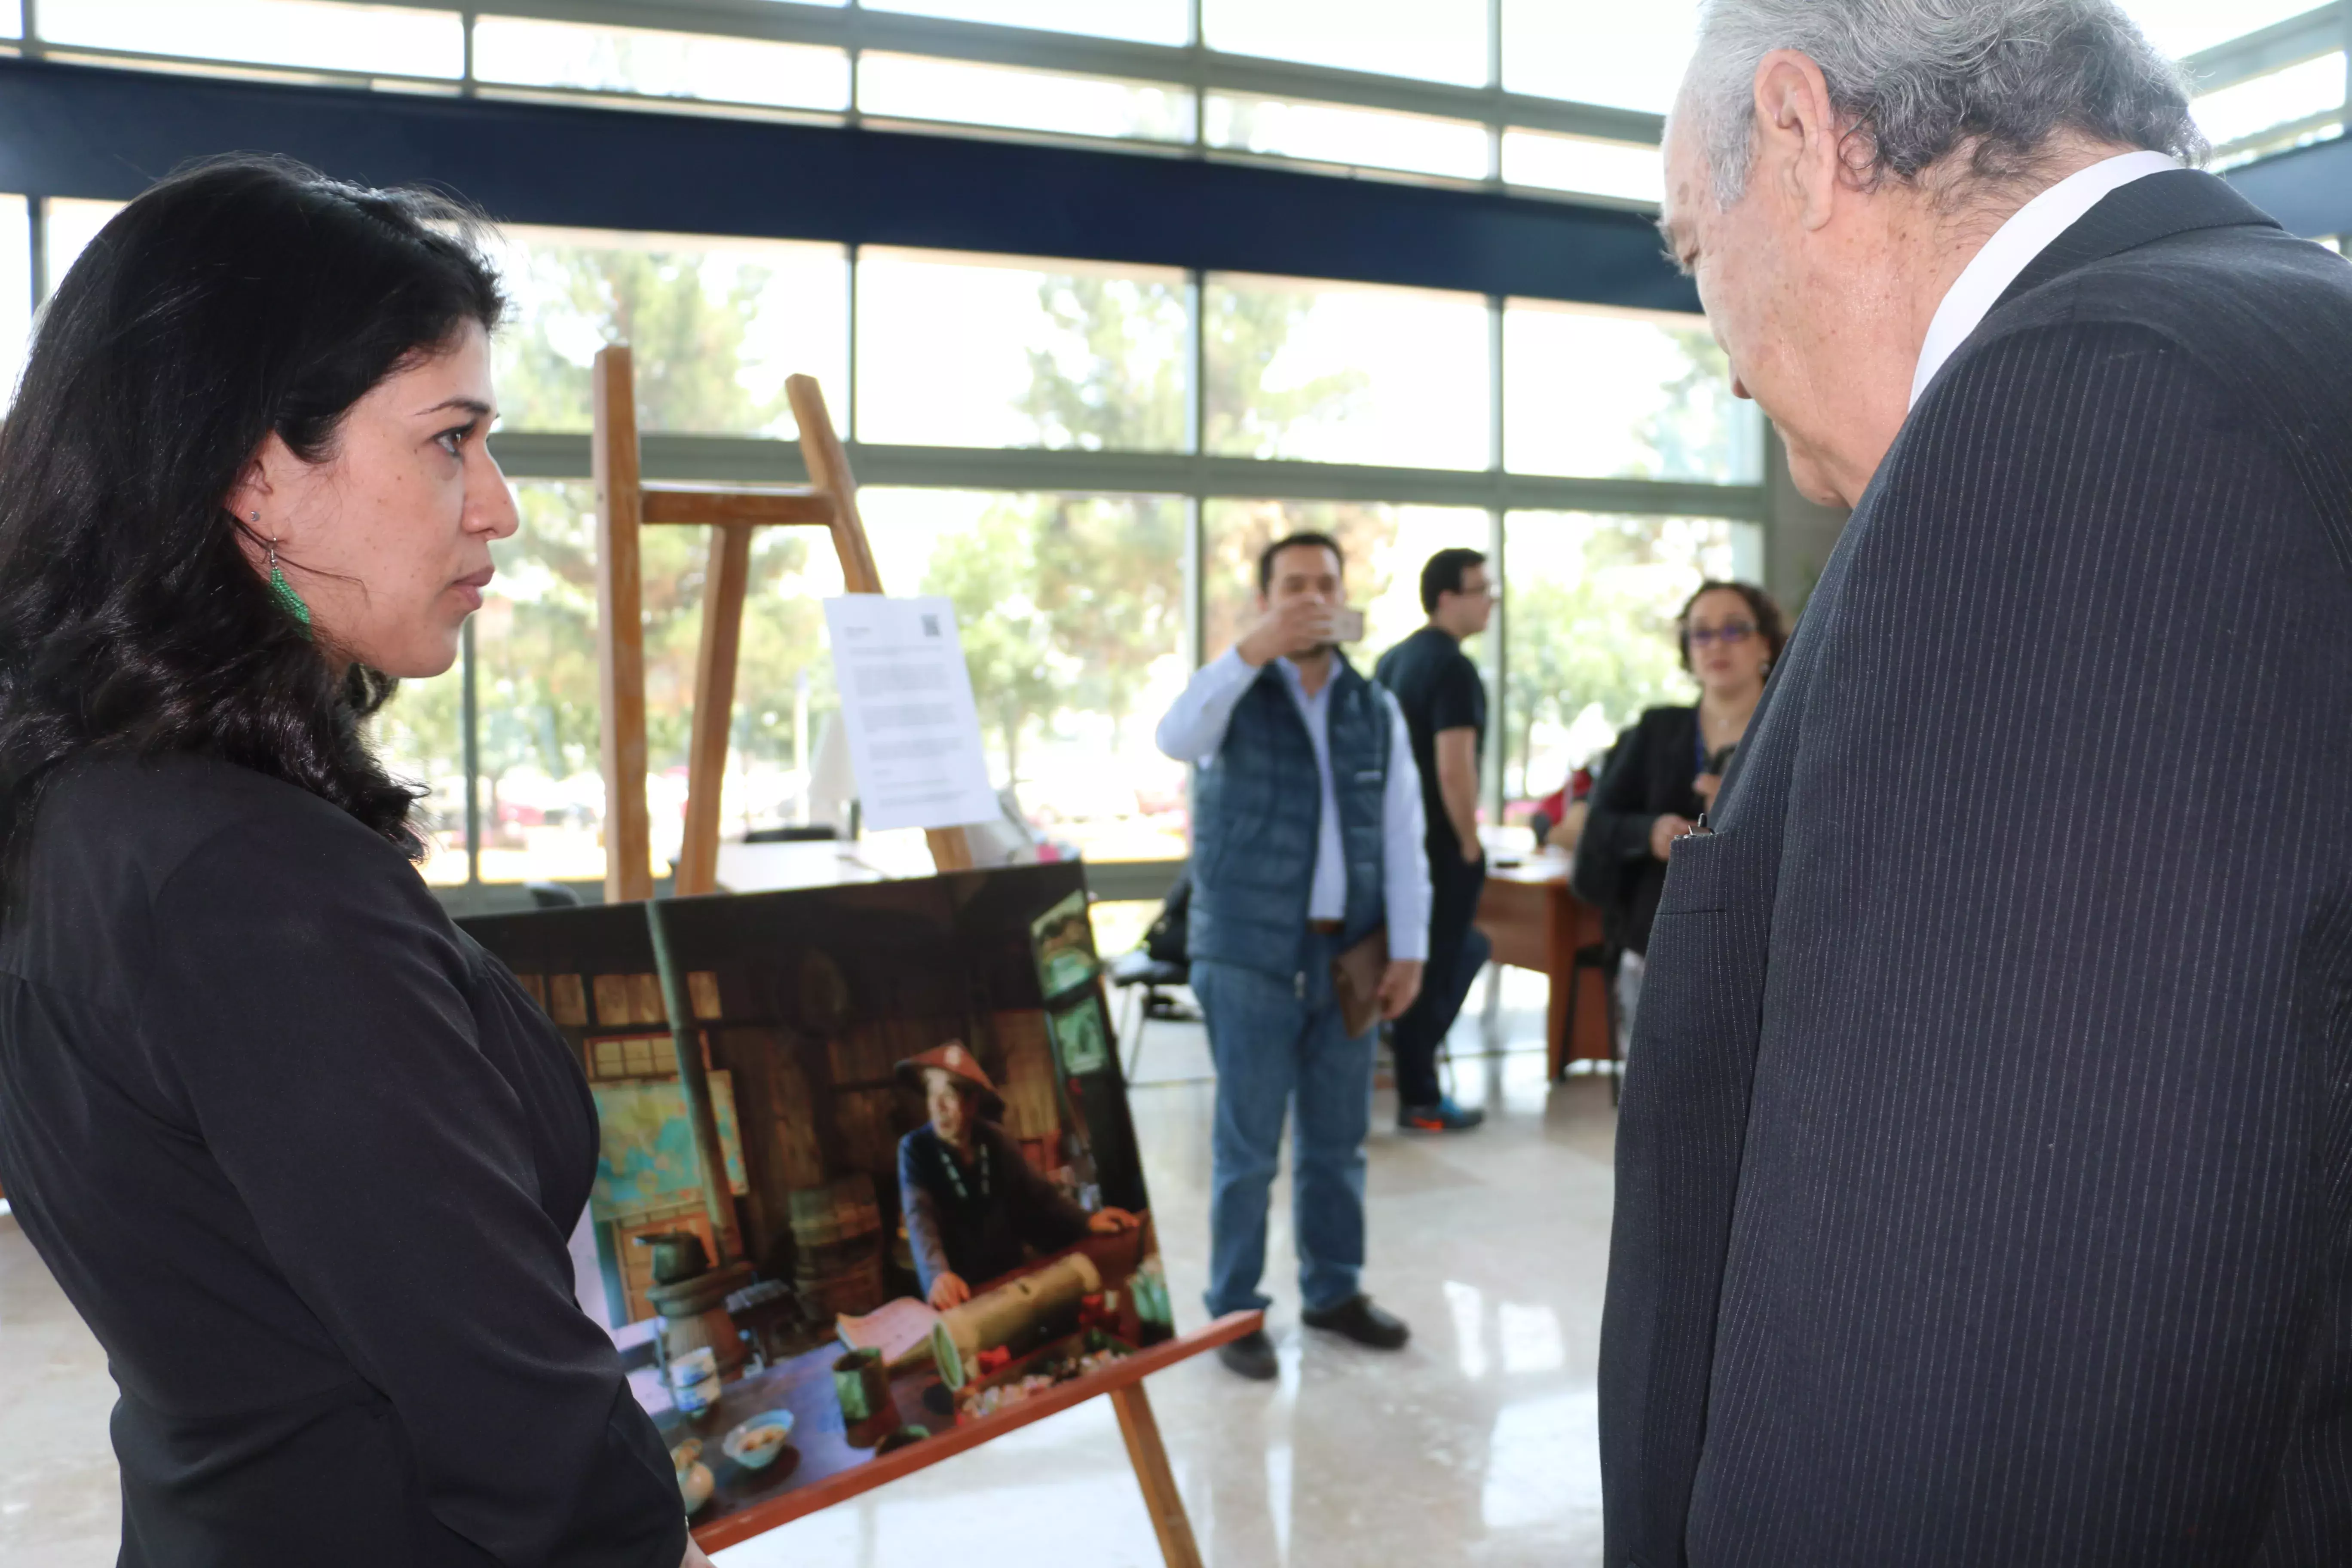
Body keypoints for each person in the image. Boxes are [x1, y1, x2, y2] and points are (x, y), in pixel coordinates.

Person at [1605, 3, 2352, 1564]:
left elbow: (1960, 1375)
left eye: (1691, 245)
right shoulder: (2281, 344)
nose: (1721, 351)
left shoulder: (2080, 410)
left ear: (1807, 139)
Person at [0, 159, 709, 1567]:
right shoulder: (252, 882)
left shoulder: (80, 809)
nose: (496, 503)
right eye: (451, 438)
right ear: (257, 471)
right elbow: (509, 1409)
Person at [1155, 532, 1431, 1381]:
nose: (1311, 597)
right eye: (1292, 586)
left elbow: (1402, 835)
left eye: (1324, 584)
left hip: (1346, 956)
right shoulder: (1231, 689)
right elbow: (1176, 738)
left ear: (1347, 598)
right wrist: (1249, 652)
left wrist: (1410, 951)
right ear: (1266, 598)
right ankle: (1235, 1311)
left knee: (1338, 1142)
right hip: (1245, 955)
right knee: (1246, 1147)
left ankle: (1333, 1291)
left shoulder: (1372, 705)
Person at [1571, 580, 1784, 969]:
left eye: (1735, 629)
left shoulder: (1793, 735)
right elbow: (1599, 827)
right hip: (1656, 947)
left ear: (1766, 643)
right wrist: (1651, 833)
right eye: (1701, 633)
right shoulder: (1656, 731)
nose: (1717, 644)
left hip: (1766, 951)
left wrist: (1744, 813)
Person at [1374, 546, 1496, 1132]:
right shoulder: (1452, 667)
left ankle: (1405, 1062)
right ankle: (1420, 1094)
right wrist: (1469, 841)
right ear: (1446, 598)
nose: (1490, 601)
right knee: (1444, 959)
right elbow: (1454, 765)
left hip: (1393, 840)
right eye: (1480, 590)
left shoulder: (1393, 660)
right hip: (1437, 846)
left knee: (1416, 957)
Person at [895, 1042, 1136, 1311]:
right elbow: (919, 1217)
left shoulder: (996, 1140)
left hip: (1012, 1280)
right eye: (932, 1094)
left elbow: (1042, 1195)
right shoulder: (915, 1149)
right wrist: (937, 1274)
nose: (938, 1107)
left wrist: (1088, 1220)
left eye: (949, 1095)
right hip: (960, 1294)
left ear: (972, 1102)